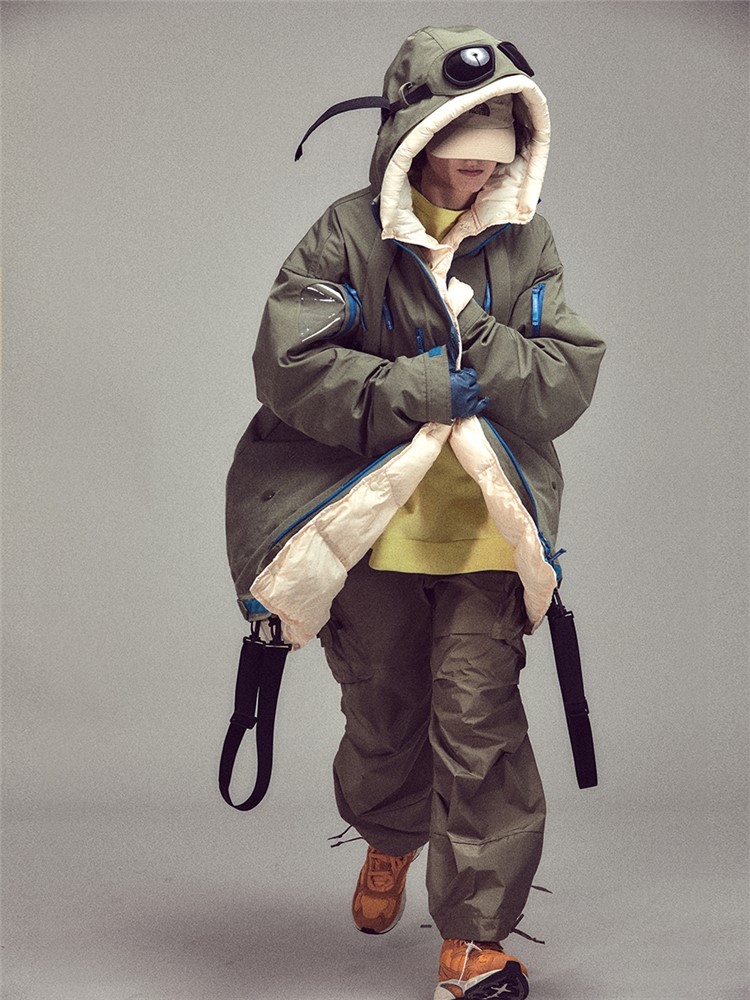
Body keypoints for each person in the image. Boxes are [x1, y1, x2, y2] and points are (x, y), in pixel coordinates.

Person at [225, 24, 605, 1000]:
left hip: (486, 539)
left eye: (499, 132)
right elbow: (288, 363)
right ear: (412, 130)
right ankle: (390, 835)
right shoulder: (347, 235)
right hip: (371, 541)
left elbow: (563, 380)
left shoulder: (528, 240)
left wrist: (476, 328)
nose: (480, 155)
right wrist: (418, 388)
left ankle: (473, 944)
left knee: (481, 727)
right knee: (384, 719)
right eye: (461, 129)